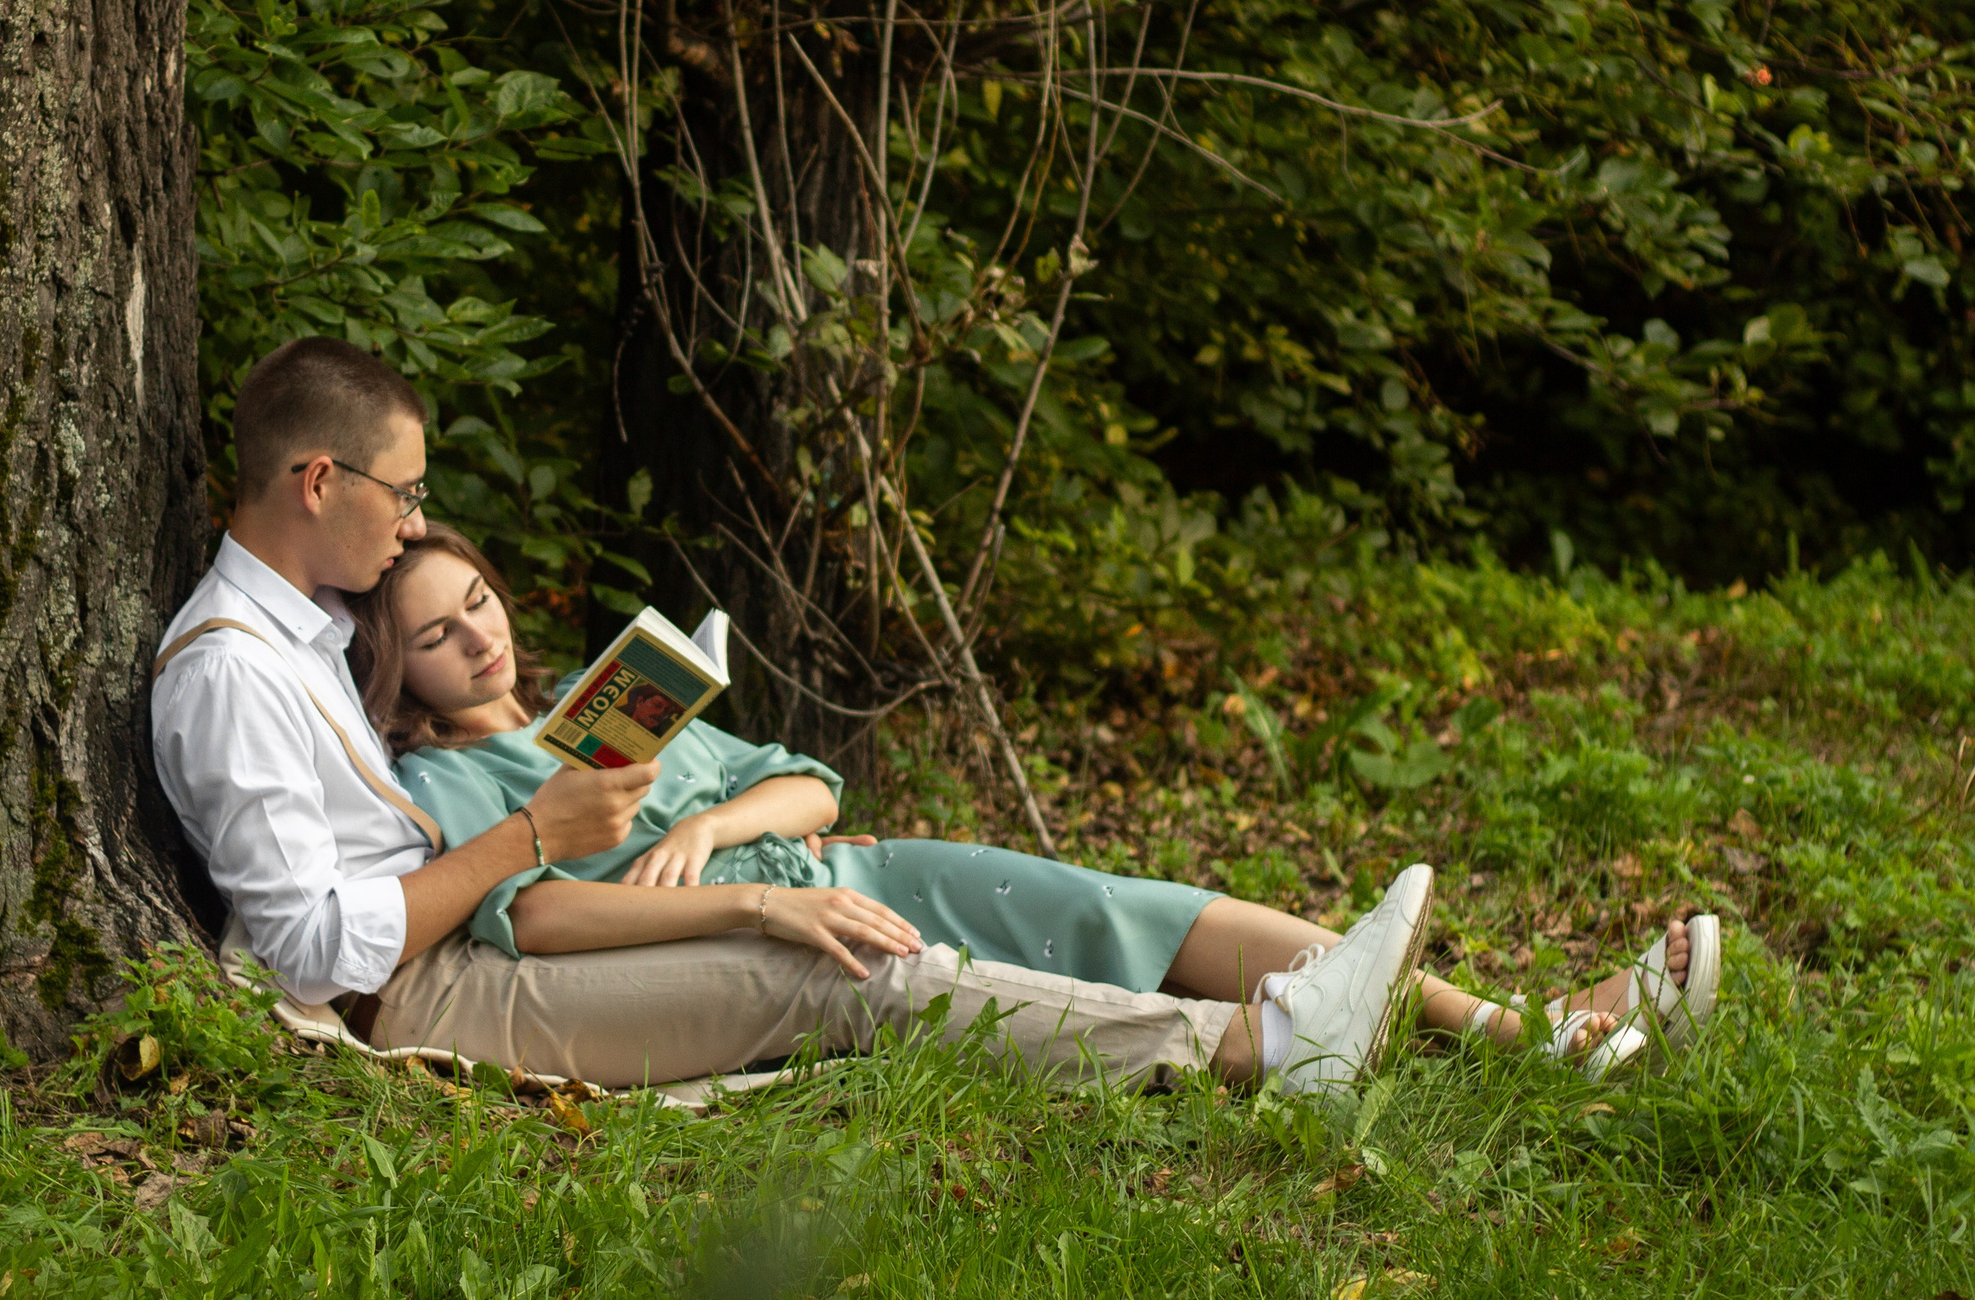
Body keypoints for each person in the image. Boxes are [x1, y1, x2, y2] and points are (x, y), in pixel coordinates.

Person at [347, 525, 1725, 1091]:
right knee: (1047, 960)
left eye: (477, 603)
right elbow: (536, 916)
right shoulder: (453, 779)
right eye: (433, 637)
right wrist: (749, 887)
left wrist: (716, 820)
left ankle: (1528, 1034)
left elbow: (803, 778)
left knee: (1127, 909)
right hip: (792, 917)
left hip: (861, 862)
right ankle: (1348, 1047)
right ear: (395, 679)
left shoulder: (602, 705)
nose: (477, 641)